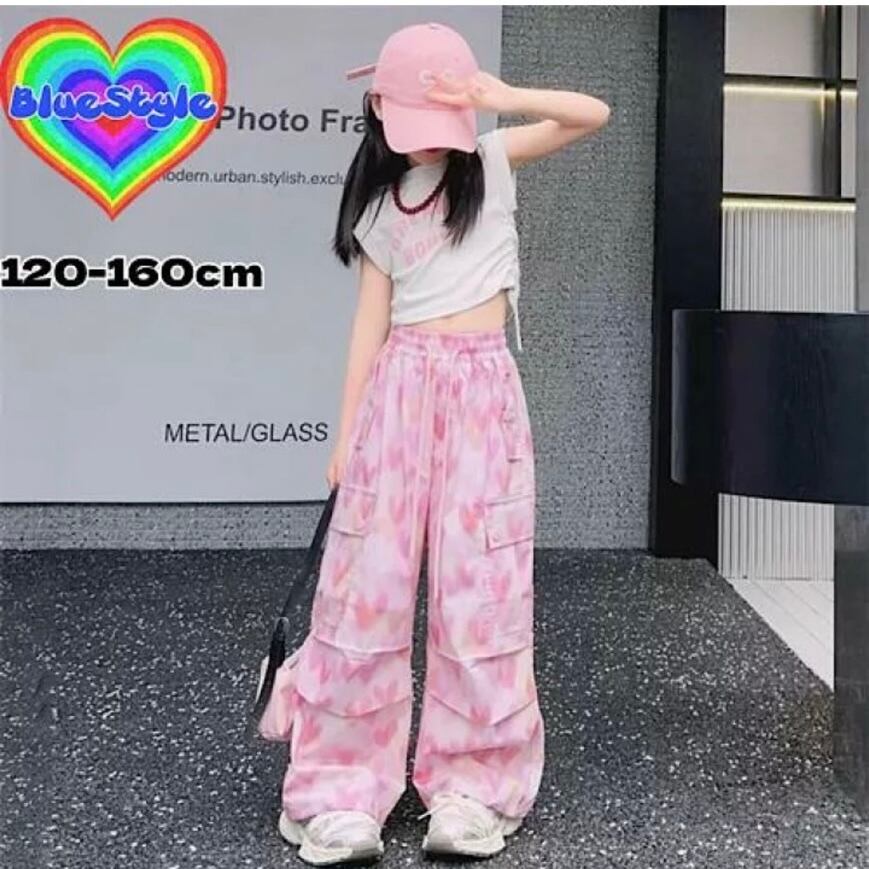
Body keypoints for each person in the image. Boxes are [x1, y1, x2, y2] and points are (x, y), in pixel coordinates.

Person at [276, 21, 610, 866]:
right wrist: (344, 434)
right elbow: (369, 324)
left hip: (482, 392)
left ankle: (473, 790)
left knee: (480, 593)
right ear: (380, 112)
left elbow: (590, 114)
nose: (430, 139)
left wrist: (499, 98)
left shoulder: (490, 162)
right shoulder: (379, 206)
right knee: (365, 595)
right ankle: (338, 790)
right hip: (398, 392)